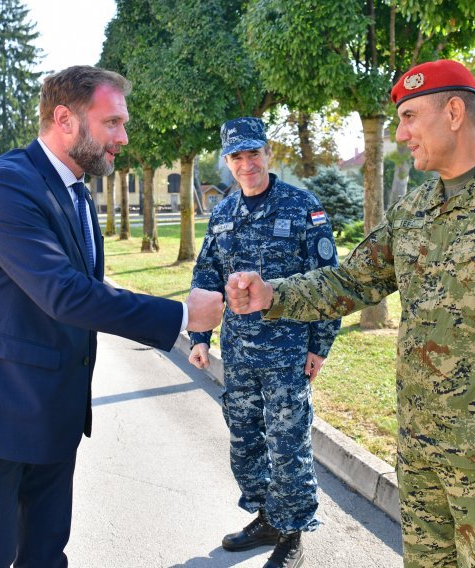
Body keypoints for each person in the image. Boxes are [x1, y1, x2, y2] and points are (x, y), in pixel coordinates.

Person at [225, 60, 475, 567]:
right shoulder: (414, 209)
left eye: (408, 116)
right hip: (421, 453)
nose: (400, 133)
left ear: (452, 112)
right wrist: (272, 294)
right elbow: (351, 281)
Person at [0, 65, 223, 567]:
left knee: (45, 555)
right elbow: (63, 293)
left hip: (51, 416)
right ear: (64, 118)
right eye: (112, 123)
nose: (123, 137)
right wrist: (180, 314)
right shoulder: (6, 185)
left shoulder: (76, 190)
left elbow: (85, 290)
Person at [188, 117, 340, 568]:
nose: (246, 163)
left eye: (253, 153)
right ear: (228, 161)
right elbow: (206, 278)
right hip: (239, 353)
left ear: (268, 154)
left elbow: (326, 281)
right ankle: (267, 517)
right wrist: (199, 335)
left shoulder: (302, 206)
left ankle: (293, 530)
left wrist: (320, 344)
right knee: (245, 441)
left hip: (289, 352)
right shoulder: (222, 214)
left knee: (287, 442)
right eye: (237, 156)